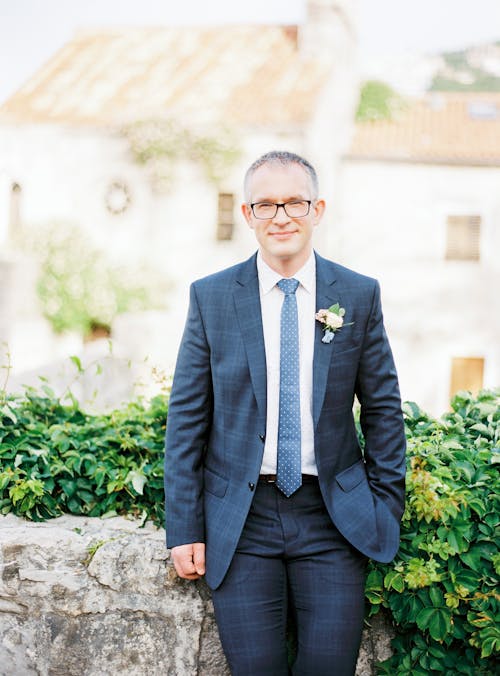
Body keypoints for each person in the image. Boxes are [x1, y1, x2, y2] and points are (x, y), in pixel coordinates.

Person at [164, 150, 406, 675]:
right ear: (248, 214)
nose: (281, 217)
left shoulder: (358, 295)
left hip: (332, 519)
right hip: (241, 523)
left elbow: (383, 408)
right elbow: (186, 418)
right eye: (266, 205)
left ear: (317, 209)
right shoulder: (211, 298)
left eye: (294, 202)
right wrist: (184, 526)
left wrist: (385, 508)